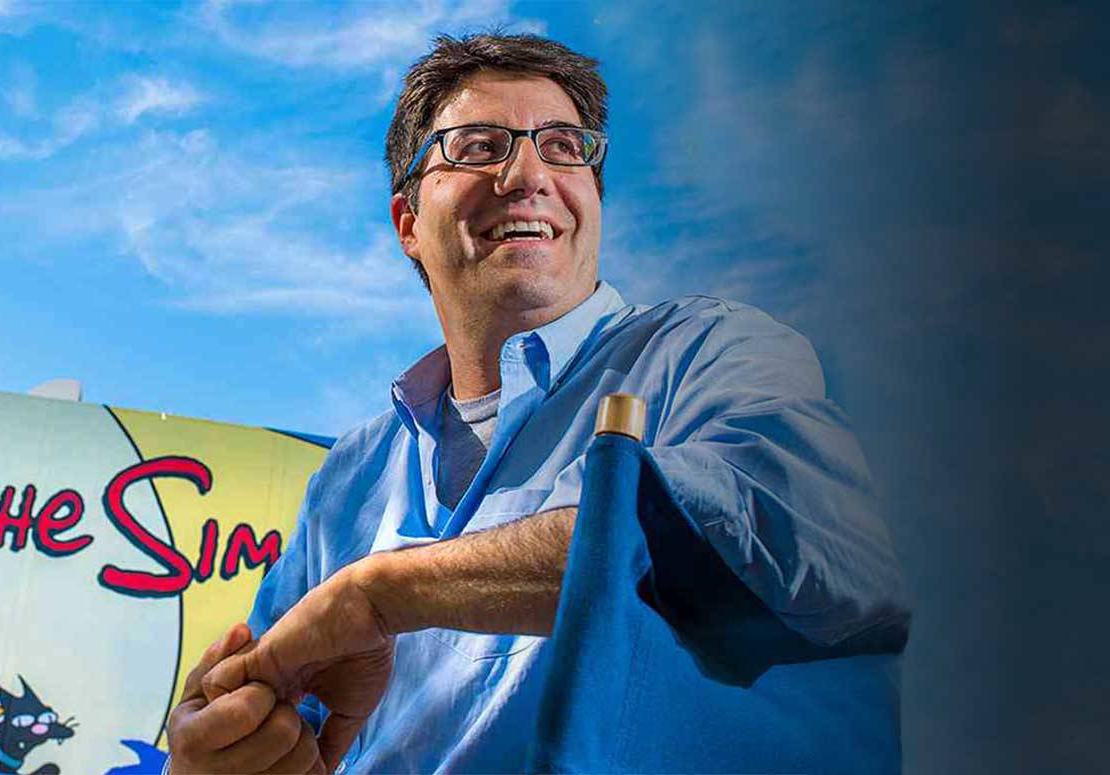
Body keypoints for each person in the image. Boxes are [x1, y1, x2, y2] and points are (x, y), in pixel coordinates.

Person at [165, 33, 908, 774]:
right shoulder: (349, 476)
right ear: (407, 224)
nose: (527, 174)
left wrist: (383, 593)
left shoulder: (710, 353)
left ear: (593, 200)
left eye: (562, 146)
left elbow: (789, 531)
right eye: (477, 146)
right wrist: (220, 750)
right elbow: (278, 717)